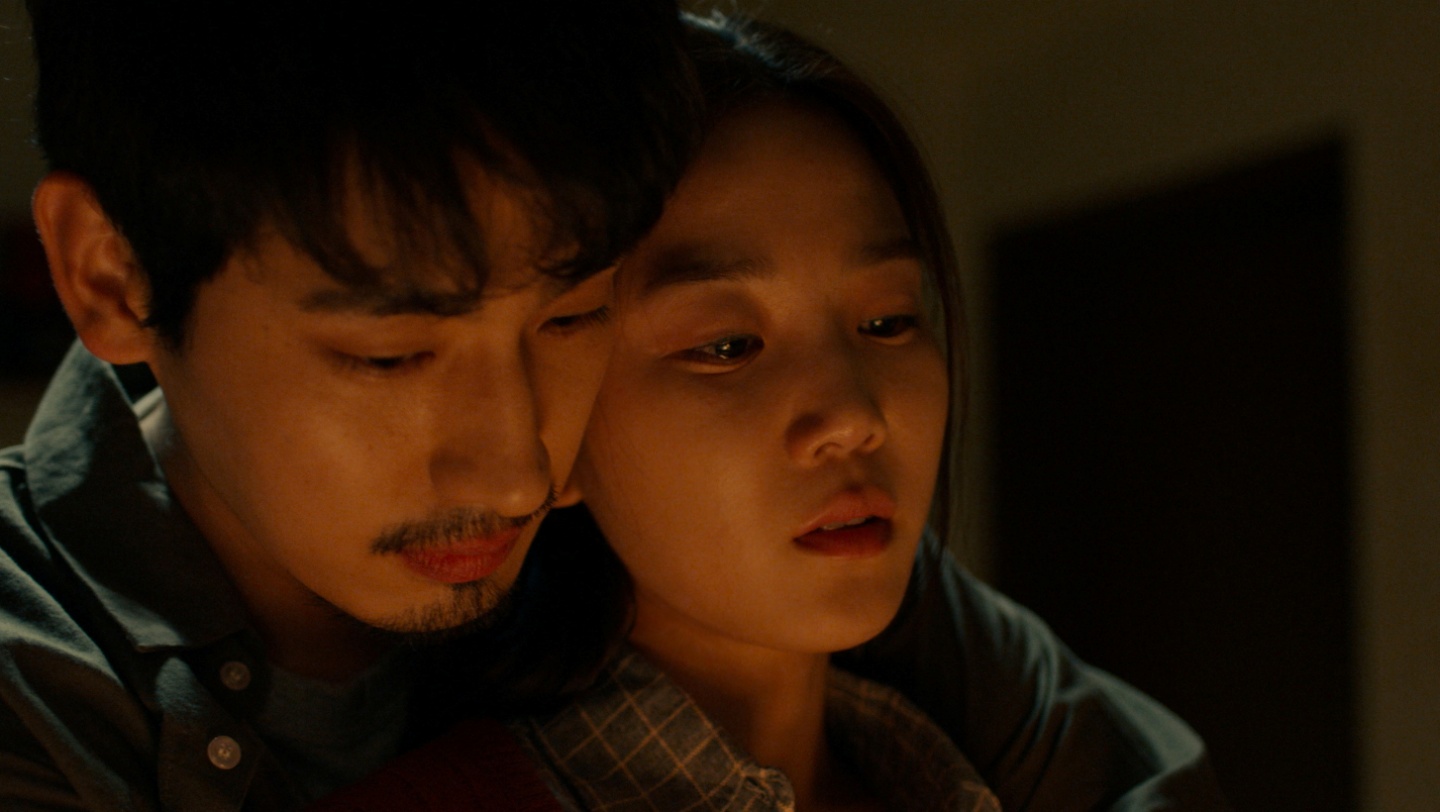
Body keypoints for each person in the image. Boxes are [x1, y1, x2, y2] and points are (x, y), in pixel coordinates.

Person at [1, 3, 1226, 811]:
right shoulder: (36, 683)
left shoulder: (783, 599)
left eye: (570, 316)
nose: (518, 463)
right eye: (394, 354)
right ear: (112, 274)